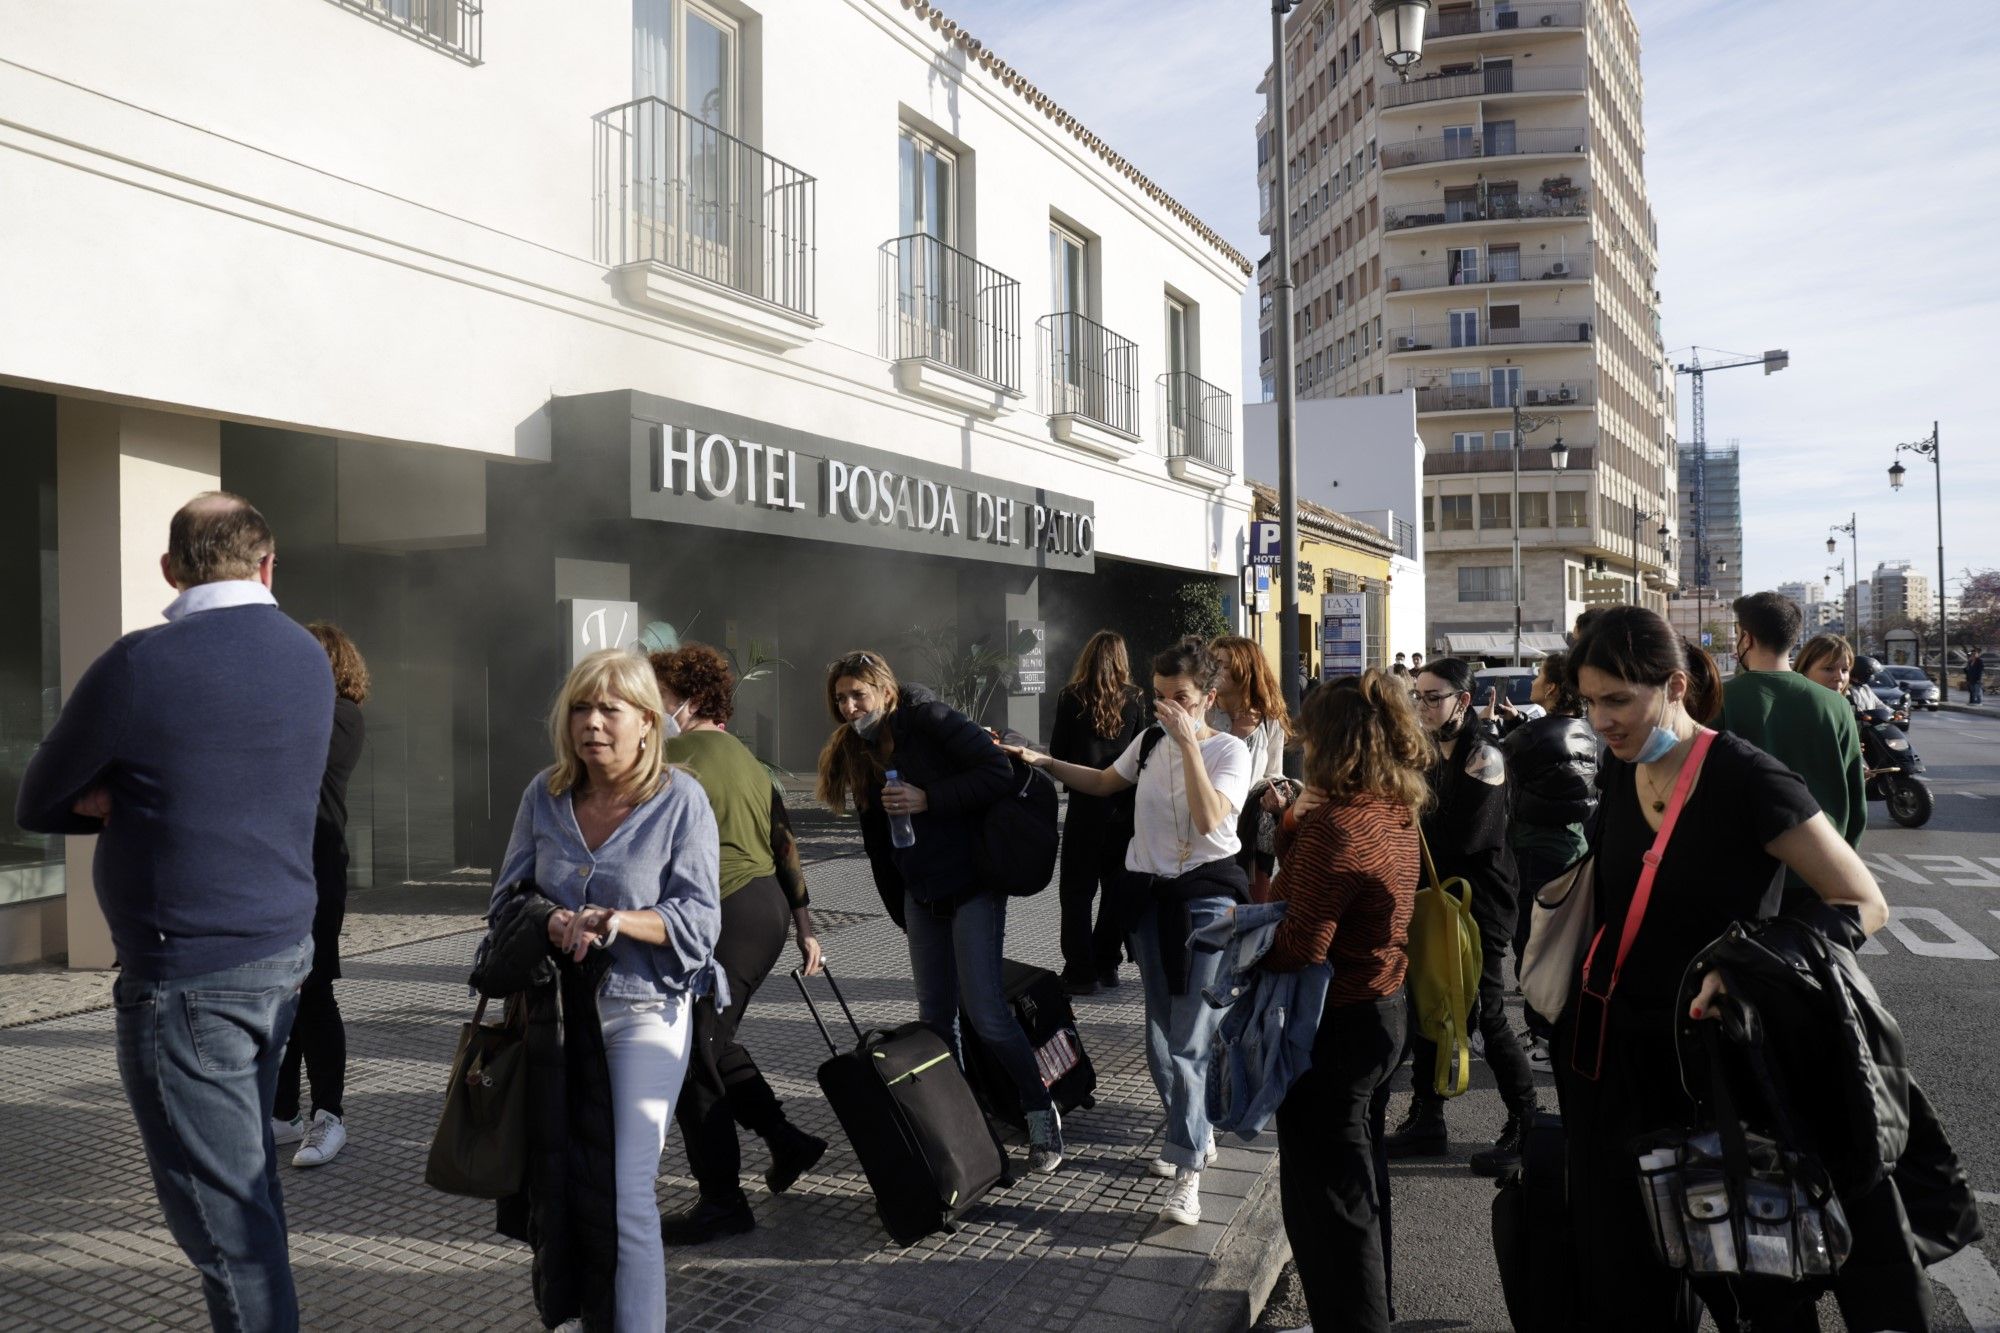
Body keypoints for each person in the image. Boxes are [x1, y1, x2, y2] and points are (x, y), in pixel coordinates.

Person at [15, 493, 331, 1332]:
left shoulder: (140, 664)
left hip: (188, 979)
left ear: (169, 569)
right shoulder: (307, 657)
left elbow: (38, 798)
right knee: (249, 1191)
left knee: (232, 1231)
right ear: (269, 565)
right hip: (279, 959)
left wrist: (116, 796)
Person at [1556, 607, 1888, 1332]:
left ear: (1674, 684)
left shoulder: (1746, 776)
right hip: (1609, 1064)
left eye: (1618, 699)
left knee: (1750, 1289)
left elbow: (1862, 901)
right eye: (1589, 701)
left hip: (1714, 1076)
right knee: (1624, 1286)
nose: (1601, 720)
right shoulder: (1621, 770)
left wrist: (1748, 967)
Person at [490, 647, 724, 1331]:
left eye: (608, 709)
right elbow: (506, 898)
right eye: (580, 708)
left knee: (625, 1194)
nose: (591, 722)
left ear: (649, 722)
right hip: (557, 1018)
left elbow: (701, 921)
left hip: (644, 1009)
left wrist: (622, 920)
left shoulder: (681, 800)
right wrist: (552, 917)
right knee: (560, 1186)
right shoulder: (546, 793)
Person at [1007, 636, 1253, 1227]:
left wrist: (1191, 742)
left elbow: (1209, 818)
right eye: (1162, 696)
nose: (1170, 707)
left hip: (1205, 905)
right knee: (1161, 1040)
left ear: (1208, 698)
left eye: (1184, 698)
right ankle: (1190, 1129)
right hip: (1147, 902)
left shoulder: (1230, 752)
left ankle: (1188, 1168)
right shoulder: (1146, 744)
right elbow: (1099, 782)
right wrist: (1041, 761)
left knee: (1191, 1042)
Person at [814, 650, 1065, 1173]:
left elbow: (996, 771)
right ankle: (966, 1119)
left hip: (972, 883)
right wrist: (902, 908)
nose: (849, 705)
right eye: (841, 698)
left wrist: (930, 798)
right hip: (921, 895)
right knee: (935, 1020)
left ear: (886, 690)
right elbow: (878, 845)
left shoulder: (930, 719)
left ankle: (1041, 1109)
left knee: (988, 1014)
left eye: (858, 693)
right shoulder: (859, 750)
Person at [1263, 670, 1426, 1333]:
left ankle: (1354, 1322)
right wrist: (1293, 820)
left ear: (1332, 745)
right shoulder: (1395, 807)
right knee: (1360, 1183)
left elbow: (1301, 944)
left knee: (1330, 1201)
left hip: (1336, 1026)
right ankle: (1363, 1314)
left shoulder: (1340, 825)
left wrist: (1244, 947)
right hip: (1384, 1010)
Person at [649, 643, 829, 1244]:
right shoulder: (745, 756)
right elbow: (784, 840)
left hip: (724, 914)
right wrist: (803, 923)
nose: (652, 706)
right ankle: (788, 1141)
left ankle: (723, 1201)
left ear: (690, 700)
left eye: (662, 697)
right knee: (712, 1041)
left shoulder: (672, 755)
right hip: (763, 910)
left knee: (692, 1056)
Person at [1385, 656, 1537, 1176]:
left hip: (1482, 905)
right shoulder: (1426, 755)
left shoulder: (1484, 757)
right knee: (1432, 1004)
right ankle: (1427, 1119)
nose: (1422, 706)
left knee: (1486, 1013)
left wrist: (1407, 808)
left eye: (1433, 697)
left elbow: (1464, 838)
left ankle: (1527, 1122)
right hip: (1436, 900)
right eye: (1417, 697)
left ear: (1463, 702)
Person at [272, 622, 369, 1169]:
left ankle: (328, 1115)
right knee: (285, 994)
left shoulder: (341, 716)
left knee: (313, 991)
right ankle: (284, 1112)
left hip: (316, 872)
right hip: (283, 869)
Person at [1493, 651, 1598, 1071]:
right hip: (1572, 847)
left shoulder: (1535, 736)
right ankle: (1553, 1030)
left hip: (1533, 850)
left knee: (1532, 946)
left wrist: (1493, 727)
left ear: (1553, 688)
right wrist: (1523, 724)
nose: (1534, 680)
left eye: (1539, 675)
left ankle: (1544, 1038)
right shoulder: (1583, 728)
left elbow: (1496, 760)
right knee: (1562, 943)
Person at [1721, 593, 1866, 894]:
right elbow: (1854, 800)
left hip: (1740, 874)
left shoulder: (1718, 701)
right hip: (1819, 870)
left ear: (1746, 637)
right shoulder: (1836, 706)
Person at [1049, 630, 1146, 994]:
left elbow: (1057, 752)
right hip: (1123, 811)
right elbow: (1142, 754)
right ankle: (1107, 963)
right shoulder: (1136, 698)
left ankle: (1080, 970)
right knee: (1114, 890)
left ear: (1087, 657)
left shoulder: (1070, 697)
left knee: (1076, 892)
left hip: (1084, 808)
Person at [1211, 635, 1296, 899]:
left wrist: (1278, 797)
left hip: (1250, 828)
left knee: (1251, 903)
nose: (1215, 670)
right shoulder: (1203, 711)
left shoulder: (1270, 720)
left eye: (1223, 665)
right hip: (1210, 825)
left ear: (1245, 670)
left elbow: (1273, 772)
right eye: (1212, 663)